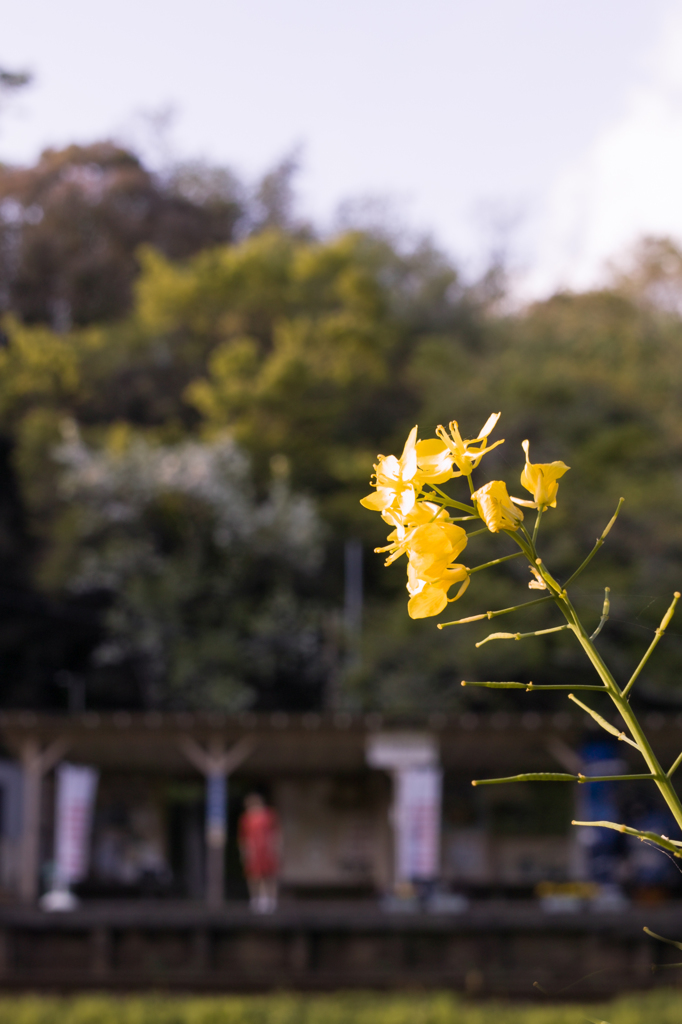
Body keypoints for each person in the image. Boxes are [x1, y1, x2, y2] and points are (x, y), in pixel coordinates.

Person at [238, 793, 280, 912]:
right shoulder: (246, 818)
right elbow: (243, 837)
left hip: (266, 849)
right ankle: (257, 899)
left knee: (269, 875)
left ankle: (271, 899)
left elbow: (275, 833)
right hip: (253, 850)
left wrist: (275, 848)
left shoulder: (269, 815)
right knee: (254, 875)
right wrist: (244, 851)